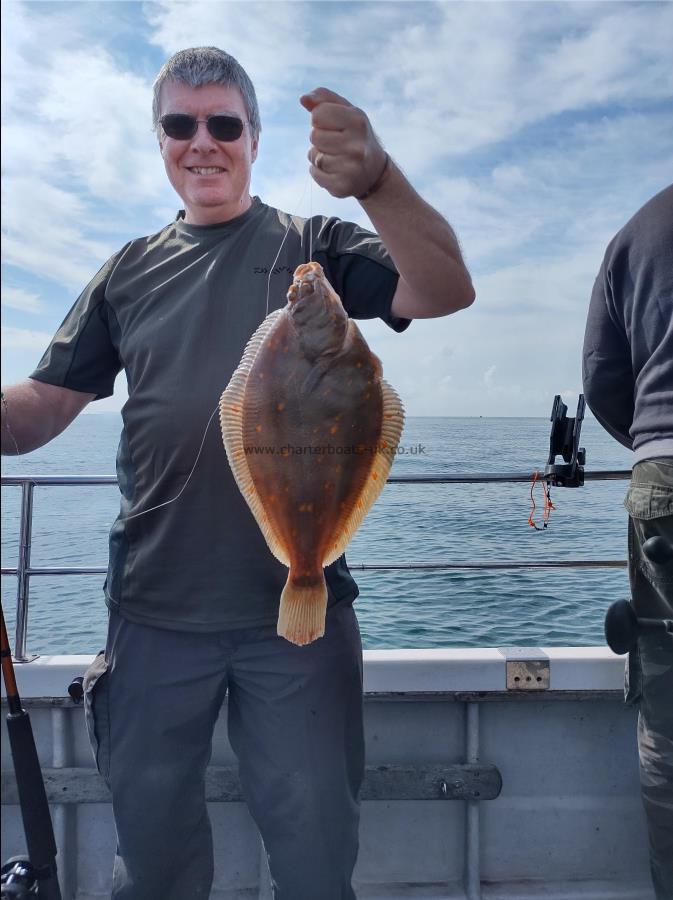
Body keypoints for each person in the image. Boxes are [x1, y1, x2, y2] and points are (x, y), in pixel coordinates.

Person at [0, 47, 474, 899]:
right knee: (152, 848)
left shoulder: (313, 247)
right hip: (151, 609)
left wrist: (376, 179)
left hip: (298, 612)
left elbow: (439, 289)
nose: (202, 142)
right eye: (181, 124)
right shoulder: (128, 269)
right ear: (160, 139)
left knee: (313, 842)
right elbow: (40, 407)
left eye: (224, 123)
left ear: (253, 137)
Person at [582, 184, 673, 900]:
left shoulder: (638, 228)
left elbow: (602, 380)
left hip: (664, 472)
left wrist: (650, 445)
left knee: (670, 726)